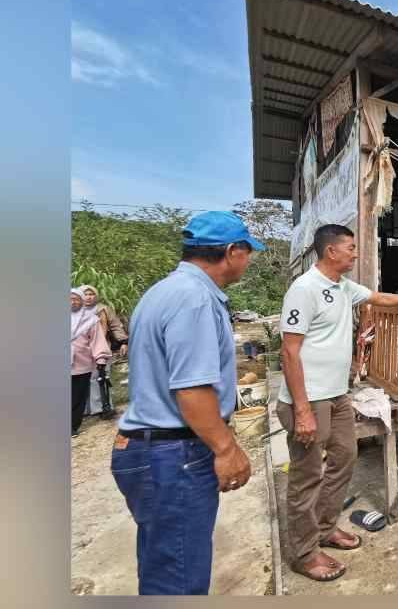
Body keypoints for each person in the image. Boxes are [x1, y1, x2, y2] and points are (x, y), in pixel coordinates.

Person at [111, 211, 264, 594]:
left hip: (150, 447)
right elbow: (192, 390)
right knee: (179, 579)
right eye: (247, 252)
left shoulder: (165, 290)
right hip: (172, 452)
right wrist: (226, 448)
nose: (248, 260)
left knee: (163, 563)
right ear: (232, 251)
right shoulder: (194, 299)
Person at [279, 223, 398, 582]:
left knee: (345, 459)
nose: (356, 253)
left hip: (337, 395)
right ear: (331, 252)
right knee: (307, 476)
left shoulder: (342, 286)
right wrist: (302, 409)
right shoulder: (304, 289)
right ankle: (304, 553)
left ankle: (323, 528)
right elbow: (289, 352)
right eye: (350, 247)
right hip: (309, 400)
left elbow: (378, 297)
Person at [79, 284, 128, 419]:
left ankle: (102, 407)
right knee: (83, 380)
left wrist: (123, 342)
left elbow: (115, 326)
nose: (88, 297)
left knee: (101, 377)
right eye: (85, 294)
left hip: (101, 347)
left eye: (91, 294)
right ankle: (85, 409)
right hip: (81, 351)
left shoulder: (103, 309)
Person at [71, 287, 111, 436]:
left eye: (76, 299)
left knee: (77, 397)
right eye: (70, 298)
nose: (73, 301)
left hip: (81, 364)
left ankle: (72, 426)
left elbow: (97, 340)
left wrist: (100, 357)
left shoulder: (90, 320)